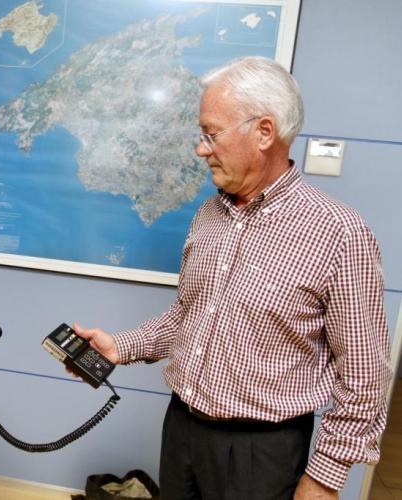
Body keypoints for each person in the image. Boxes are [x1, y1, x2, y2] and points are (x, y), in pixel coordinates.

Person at [74, 56, 392, 500]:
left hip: (261, 453)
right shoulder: (209, 214)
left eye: (211, 134)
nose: (201, 149)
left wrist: (324, 476)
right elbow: (189, 314)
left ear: (264, 132)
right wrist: (119, 346)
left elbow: (365, 373)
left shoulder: (339, 233)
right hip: (181, 428)